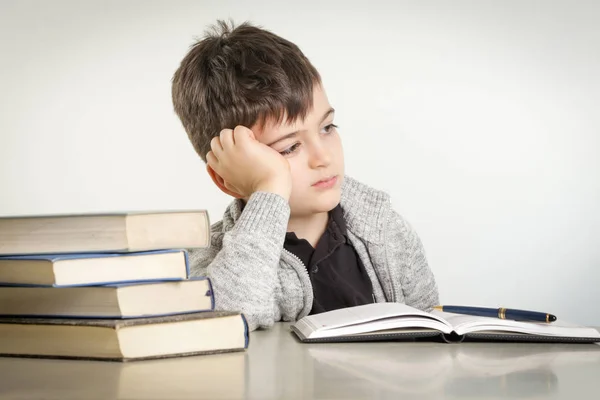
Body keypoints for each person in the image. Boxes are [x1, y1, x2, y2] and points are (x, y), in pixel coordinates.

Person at [171, 20, 439, 331]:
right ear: (227, 178)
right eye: (289, 148)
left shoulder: (385, 232)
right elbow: (225, 324)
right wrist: (270, 189)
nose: (323, 158)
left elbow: (429, 332)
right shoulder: (215, 262)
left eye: (327, 128)